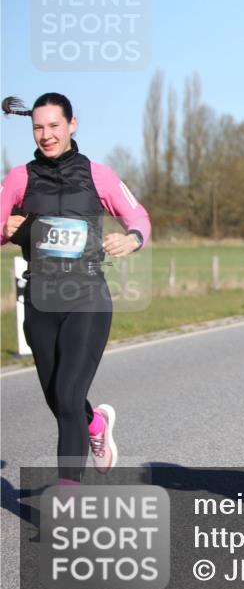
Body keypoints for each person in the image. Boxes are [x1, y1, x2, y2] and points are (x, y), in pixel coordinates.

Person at [1, 93, 151, 486]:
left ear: (72, 124)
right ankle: (95, 423)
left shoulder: (98, 175)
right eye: (38, 127)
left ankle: (67, 495)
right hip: (39, 300)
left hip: (87, 296)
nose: (46, 135)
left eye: (54, 126)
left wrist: (132, 238)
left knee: (68, 395)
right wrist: (6, 230)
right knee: (57, 399)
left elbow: (138, 216)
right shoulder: (19, 178)